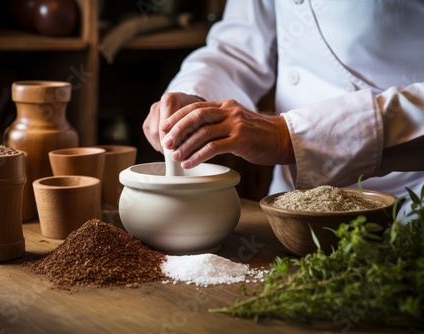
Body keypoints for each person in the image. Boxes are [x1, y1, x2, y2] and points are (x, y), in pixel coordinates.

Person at [142, 0, 424, 218]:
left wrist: (290, 137)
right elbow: (240, 47)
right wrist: (197, 99)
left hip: (409, 194)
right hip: (293, 201)